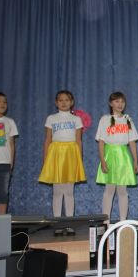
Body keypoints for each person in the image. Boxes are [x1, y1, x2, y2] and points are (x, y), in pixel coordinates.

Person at [39, 90, 86, 234]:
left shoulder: (76, 119)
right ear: (56, 102)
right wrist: (46, 160)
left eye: (66, 100)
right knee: (57, 191)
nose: (64, 102)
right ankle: (58, 224)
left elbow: (79, 140)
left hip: (71, 153)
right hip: (56, 154)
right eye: (60, 100)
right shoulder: (51, 118)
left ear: (71, 102)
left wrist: (79, 159)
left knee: (69, 191)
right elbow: (47, 140)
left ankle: (69, 223)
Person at [95, 92, 138, 223]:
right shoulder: (105, 119)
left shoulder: (128, 120)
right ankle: (106, 221)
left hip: (123, 156)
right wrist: (103, 161)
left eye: (122, 101)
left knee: (122, 191)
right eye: (117, 101)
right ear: (111, 103)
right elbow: (101, 142)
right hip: (110, 155)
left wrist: (135, 161)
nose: (120, 104)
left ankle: (123, 221)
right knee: (109, 190)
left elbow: (132, 142)